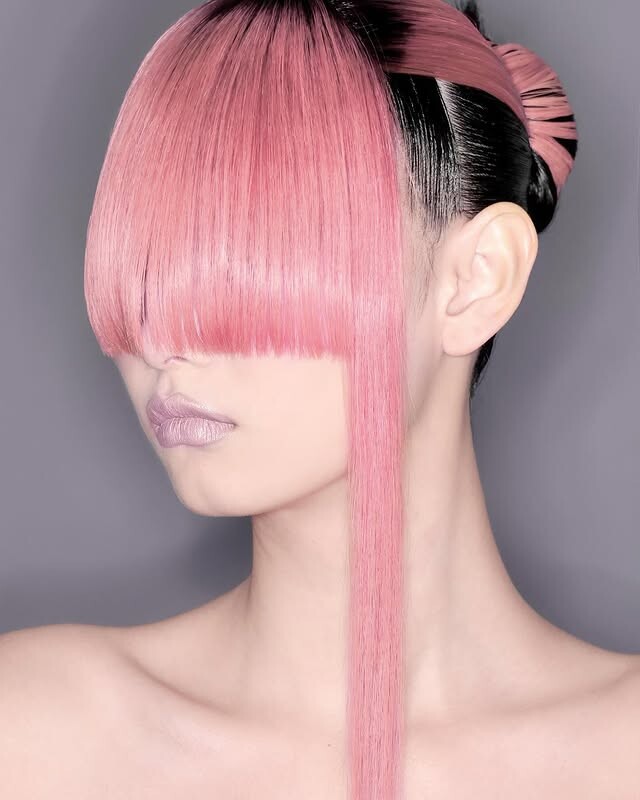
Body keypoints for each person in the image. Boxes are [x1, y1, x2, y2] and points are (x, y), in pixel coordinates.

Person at [1, 0, 638, 797]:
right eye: (153, 265)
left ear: (478, 280)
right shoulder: (35, 736)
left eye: (252, 258)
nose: (164, 342)